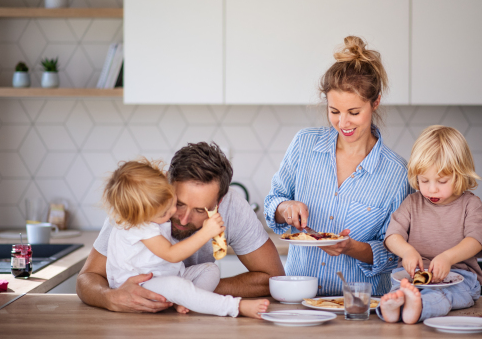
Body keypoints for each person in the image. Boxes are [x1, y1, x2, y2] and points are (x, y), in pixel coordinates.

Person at [264, 36, 413, 296]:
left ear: (375, 102)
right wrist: (285, 208)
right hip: (301, 300)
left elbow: (393, 255)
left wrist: (351, 247)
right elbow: (273, 202)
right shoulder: (305, 144)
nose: (343, 122)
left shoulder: (397, 174)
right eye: (334, 111)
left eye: (354, 112)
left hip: (360, 308)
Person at [77, 142, 285, 313]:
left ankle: (185, 301)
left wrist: (190, 294)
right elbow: (86, 279)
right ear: (166, 184)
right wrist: (109, 298)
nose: (184, 220)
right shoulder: (141, 204)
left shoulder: (233, 207)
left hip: (184, 309)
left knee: (211, 270)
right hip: (137, 317)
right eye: (179, 204)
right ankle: (233, 307)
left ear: (219, 202)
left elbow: (273, 279)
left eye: (200, 210)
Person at [378, 125, 482, 324]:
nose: (432, 189)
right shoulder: (412, 203)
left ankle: (418, 308)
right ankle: (393, 308)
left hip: (460, 278)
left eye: (442, 181)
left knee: (443, 297)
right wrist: (408, 252)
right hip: (413, 278)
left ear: (460, 174)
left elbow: (475, 241)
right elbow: (392, 236)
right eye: (424, 180)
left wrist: (448, 257)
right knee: (399, 291)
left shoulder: (470, 204)